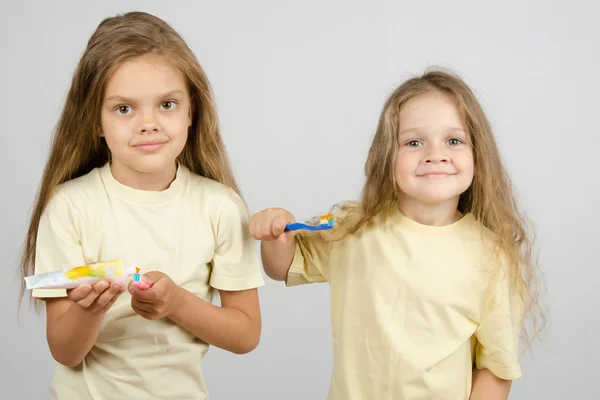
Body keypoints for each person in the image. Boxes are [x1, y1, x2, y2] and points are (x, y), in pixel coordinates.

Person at [250, 69, 545, 399]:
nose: (435, 153)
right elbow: (282, 267)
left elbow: (496, 368)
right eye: (414, 142)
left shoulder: (493, 257)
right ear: (387, 156)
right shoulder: (354, 228)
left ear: (478, 154)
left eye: (454, 140)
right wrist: (275, 234)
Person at [19, 11, 264, 400]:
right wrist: (90, 310)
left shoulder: (220, 207)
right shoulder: (70, 208)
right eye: (124, 109)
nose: (148, 123)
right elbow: (65, 351)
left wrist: (176, 302)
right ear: (96, 121)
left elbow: (246, 334)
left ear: (191, 112)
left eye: (166, 104)